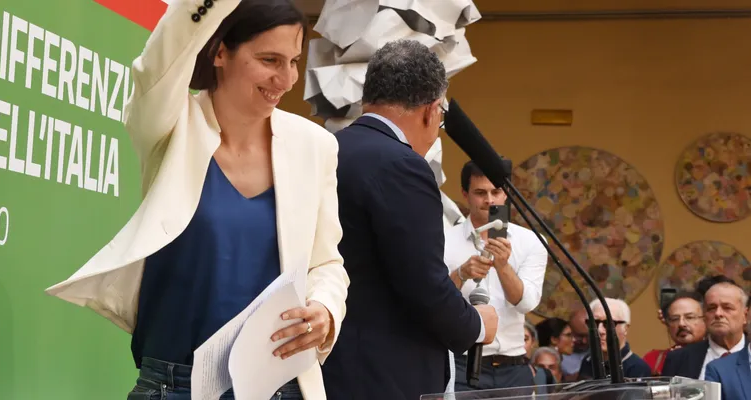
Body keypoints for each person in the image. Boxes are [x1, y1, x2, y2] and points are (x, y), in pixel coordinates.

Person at [44, 1, 351, 398]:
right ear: (220, 50)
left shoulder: (317, 147)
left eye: (293, 61)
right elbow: (160, 59)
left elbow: (326, 262)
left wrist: (325, 310)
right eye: (269, 59)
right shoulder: (169, 125)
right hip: (173, 386)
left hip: (279, 386)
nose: (286, 78)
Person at [320, 39, 499, 400]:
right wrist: (477, 325)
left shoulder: (328, 148)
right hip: (387, 375)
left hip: (329, 364)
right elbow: (423, 284)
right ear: (432, 111)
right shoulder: (403, 165)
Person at [444, 160, 548, 391]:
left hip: (513, 367)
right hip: (462, 363)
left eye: (496, 192)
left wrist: (503, 266)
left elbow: (526, 303)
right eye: (480, 193)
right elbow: (433, 299)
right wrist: (460, 274)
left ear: (506, 194)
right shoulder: (444, 240)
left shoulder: (531, 241)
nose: (489, 200)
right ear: (465, 194)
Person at [663, 281, 748, 380]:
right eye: (711, 308)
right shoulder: (678, 359)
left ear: (745, 315)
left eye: (727, 307)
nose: (718, 313)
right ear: (704, 316)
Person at [577, 298, 651, 379]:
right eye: (594, 323)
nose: (600, 330)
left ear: (625, 328)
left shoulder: (636, 368)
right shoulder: (588, 361)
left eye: (609, 324)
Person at [643, 292, 705, 376]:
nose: (681, 324)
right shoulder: (653, 359)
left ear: (705, 320)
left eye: (689, 317)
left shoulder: (716, 356)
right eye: (674, 319)